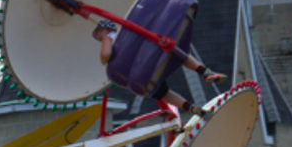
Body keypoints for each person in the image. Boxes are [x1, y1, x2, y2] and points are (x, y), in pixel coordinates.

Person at [93, 18, 226, 115]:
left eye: (98, 34)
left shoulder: (110, 37)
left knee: (162, 93)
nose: (98, 37)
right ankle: (205, 72)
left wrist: (104, 39)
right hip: (152, 53)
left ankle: (190, 107)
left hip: (142, 68)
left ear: (103, 29)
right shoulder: (127, 32)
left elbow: (106, 55)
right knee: (180, 55)